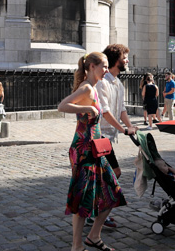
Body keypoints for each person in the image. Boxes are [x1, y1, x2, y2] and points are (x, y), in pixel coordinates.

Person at [58, 51, 126, 251]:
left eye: (106, 66)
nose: (106, 69)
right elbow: (62, 106)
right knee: (82, 197)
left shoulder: (95, 88)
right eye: (103, 66)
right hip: (83, 150)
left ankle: (94, 236)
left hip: (95, 149)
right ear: (92, 67)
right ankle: (77, 246)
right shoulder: (87, 88)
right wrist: (87, 109)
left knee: (112, 192)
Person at [93, 43, 137, 230]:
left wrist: (130, 126)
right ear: (115, 60)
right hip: (99, 136)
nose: (127, 60)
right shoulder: (103, 82)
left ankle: (94, 211)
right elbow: (105, 112)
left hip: (108, 137)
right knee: (113, 174)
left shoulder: (118, 83)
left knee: (104, 176)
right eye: (124, 57)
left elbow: (121, 110)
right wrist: (123, 129)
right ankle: (97, 212)